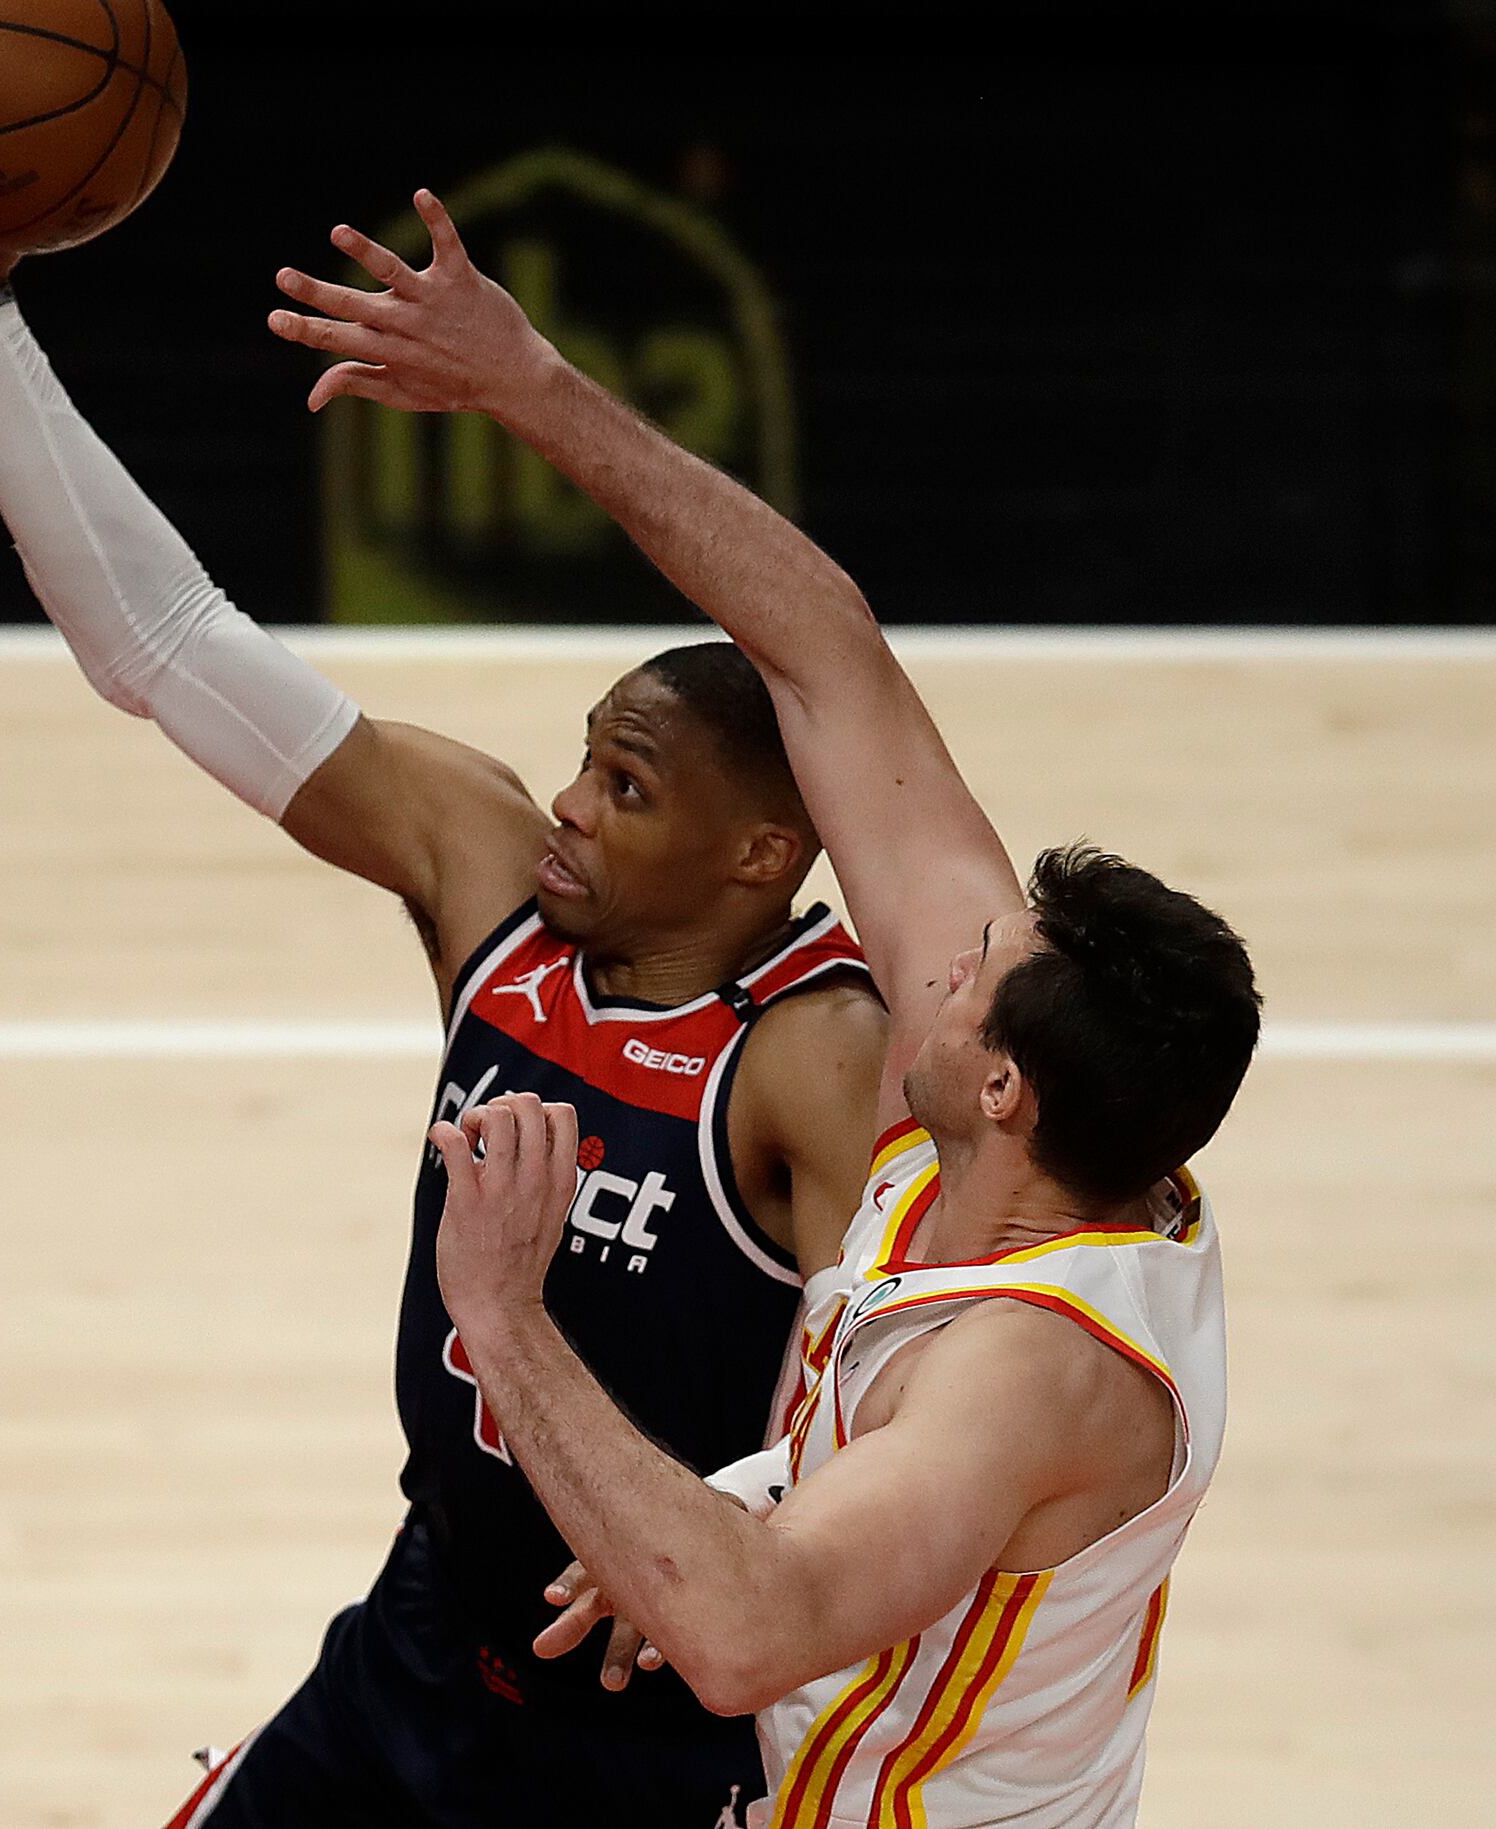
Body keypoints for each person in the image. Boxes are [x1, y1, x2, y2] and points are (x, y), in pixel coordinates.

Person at [0, 128, 890, 1828]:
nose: (568, 800)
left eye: (627, 788)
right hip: (421, 1649)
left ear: (761, 857)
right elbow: (167, 646)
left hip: (663, 1746)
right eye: (585, 759)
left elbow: (906, 1387)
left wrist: (743, 1528)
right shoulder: (488, 876)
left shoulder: (808, 1053)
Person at [265, 190, 1260, 1827]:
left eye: (976, 978)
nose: (936, 951)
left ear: (1003, 1085)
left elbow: (741, 1626)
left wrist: (506, 1314)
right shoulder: (1039, 1131)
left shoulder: (1031, 1371)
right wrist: (526, 383)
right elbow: (822, 657)